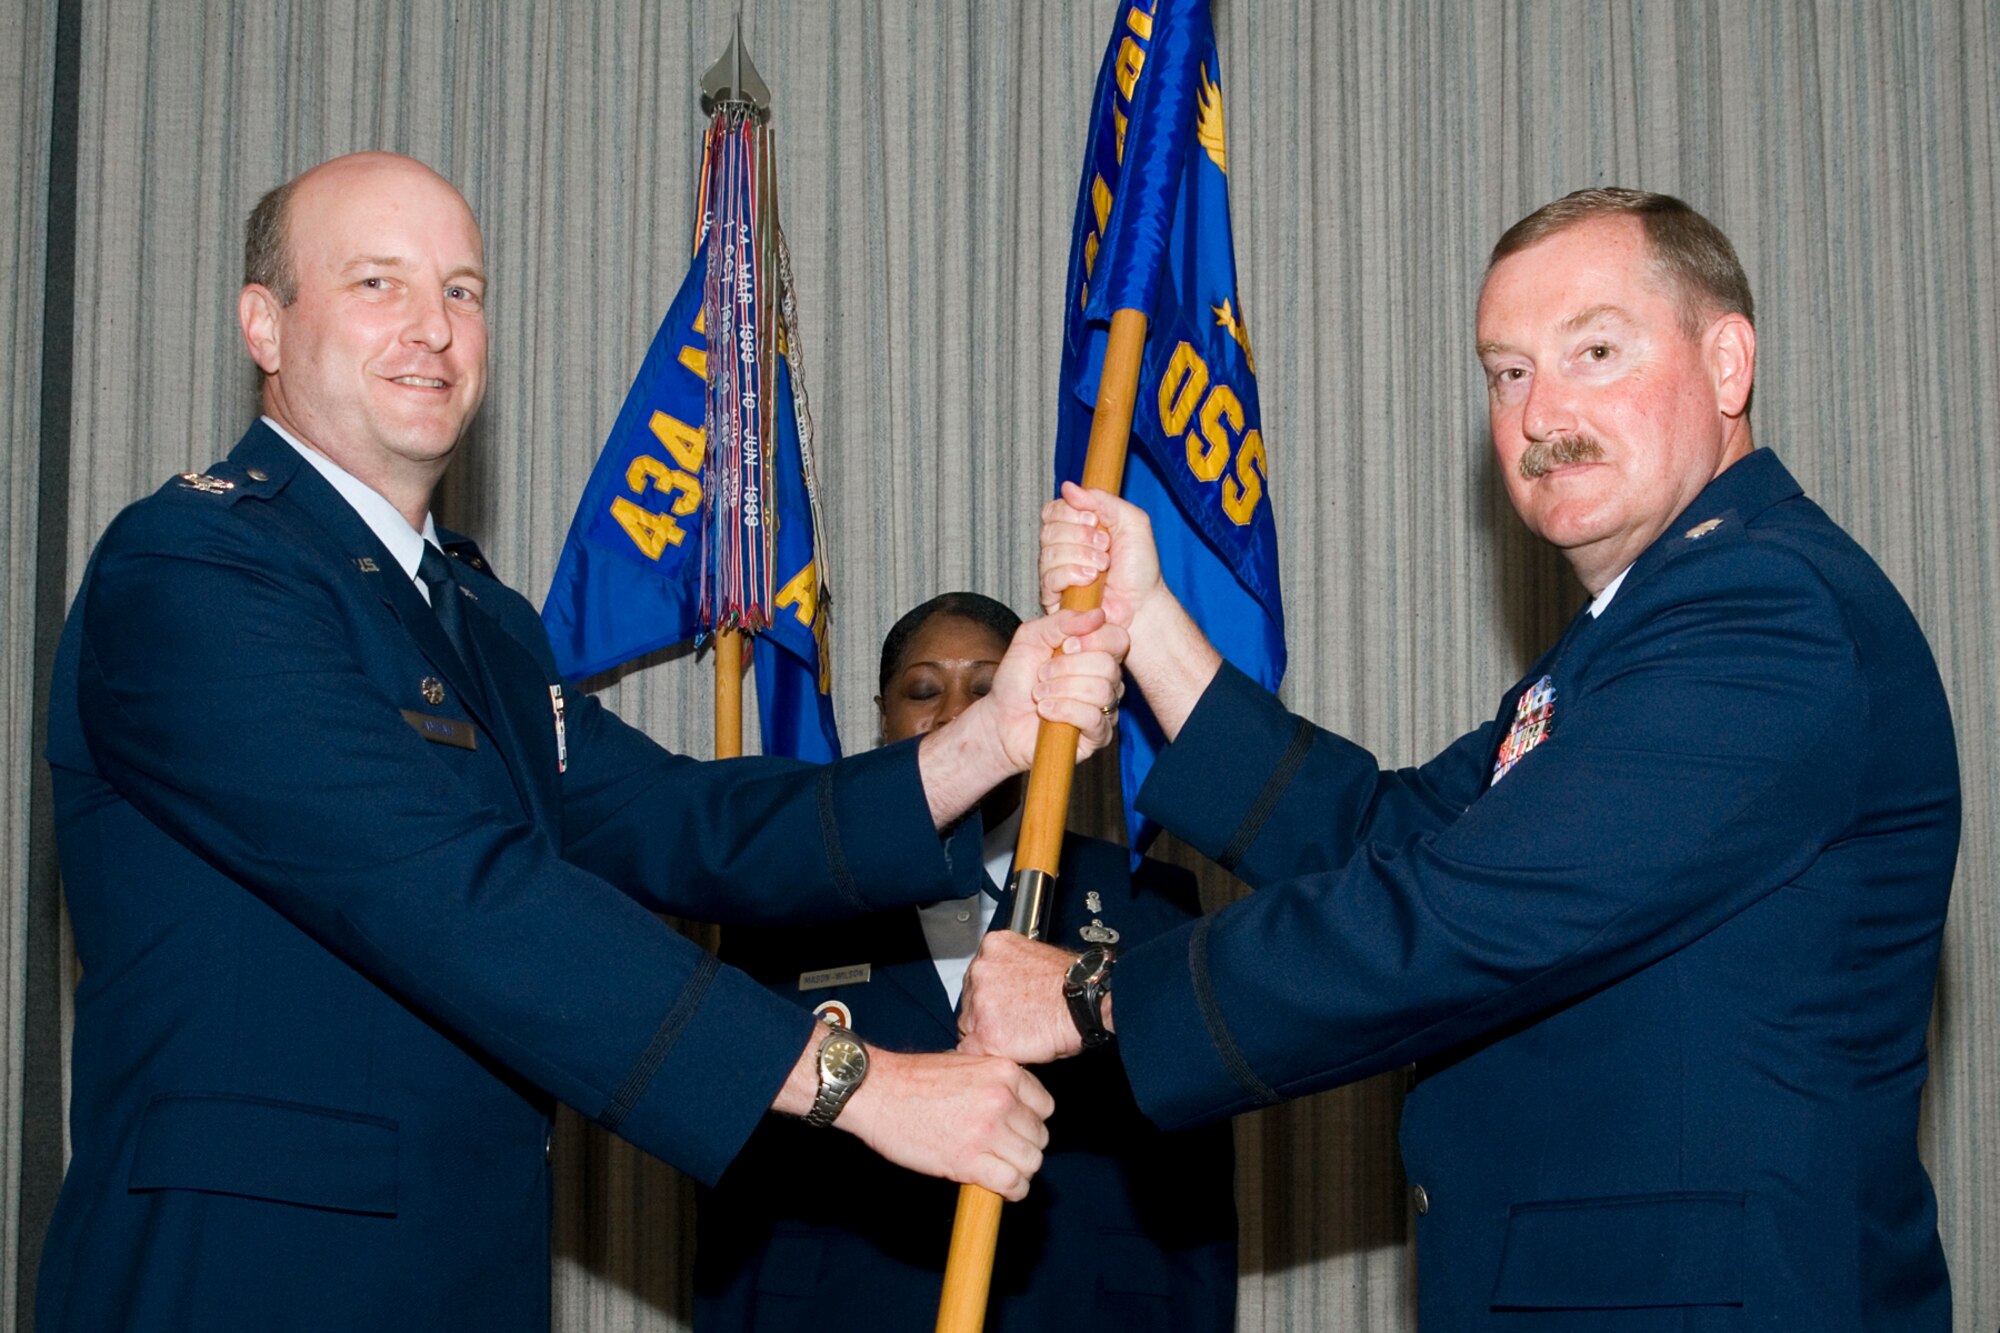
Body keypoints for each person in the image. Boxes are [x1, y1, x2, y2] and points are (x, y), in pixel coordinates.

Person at [38, 152, 1128, 1333]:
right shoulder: (191, 568)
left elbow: (681, 823)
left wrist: (991, 740)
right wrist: (851, 1084)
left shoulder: (481, 622)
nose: (432, 330)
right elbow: (448, 893)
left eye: (462, 290)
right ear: (265, 323)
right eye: (374, 284)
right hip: (246, 1274)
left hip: (471, 1270)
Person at [961, 189, 1960, 1330]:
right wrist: (1147, 628)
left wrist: (1098, 994)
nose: (1543, 413)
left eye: (1594, 350)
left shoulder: (1762, 611)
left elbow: (1463, 911)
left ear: (1725, 364)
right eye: (1507, 373)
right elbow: (1391, 838)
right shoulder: (1633, 631)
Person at [693, 591, 1236, 1332]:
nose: (955, 711)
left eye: (986, 688)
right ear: (882, 715)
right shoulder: (786, 906)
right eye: (923, 690)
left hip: (1086, 1306)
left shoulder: (1149, 902)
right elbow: (735, 1179)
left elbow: (1196, 1183)